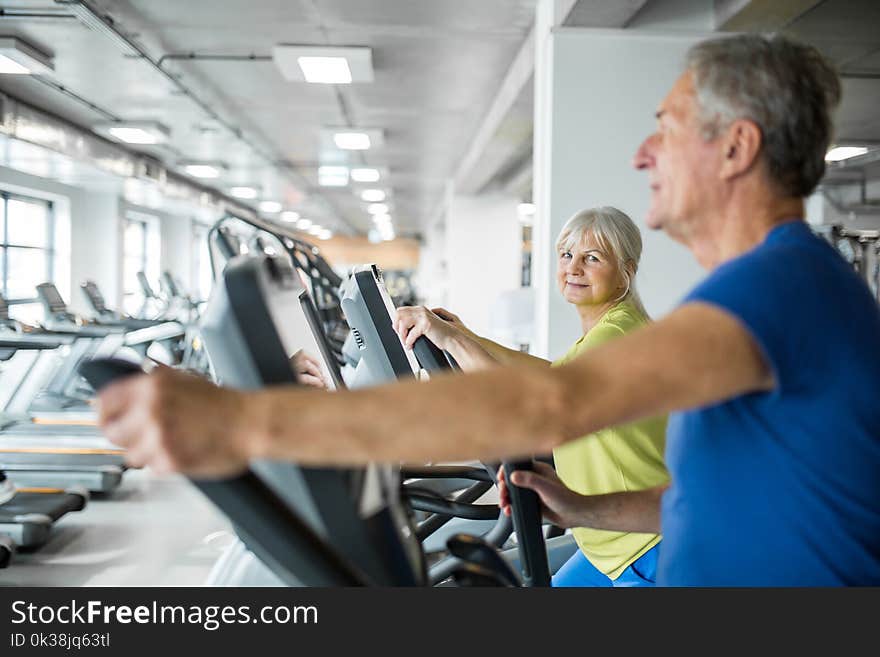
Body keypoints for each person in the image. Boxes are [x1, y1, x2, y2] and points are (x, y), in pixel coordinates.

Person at [96, 34, 880, 585]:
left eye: (665, 129)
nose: (643, 153)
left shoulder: (777, 285)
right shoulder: (774, 285)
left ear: (736, 148)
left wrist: (245, 424)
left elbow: (552, 402)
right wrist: (584, 505)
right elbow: (707, 494)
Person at [393, 207, 668, 587]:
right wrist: (469, 336)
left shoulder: (614, 338)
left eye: (592, 258)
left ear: (627, 270)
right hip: (607, 546)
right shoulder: (613, 328)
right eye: (567, 254)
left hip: (643, 552)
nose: (573, 269)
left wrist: (452, 341)